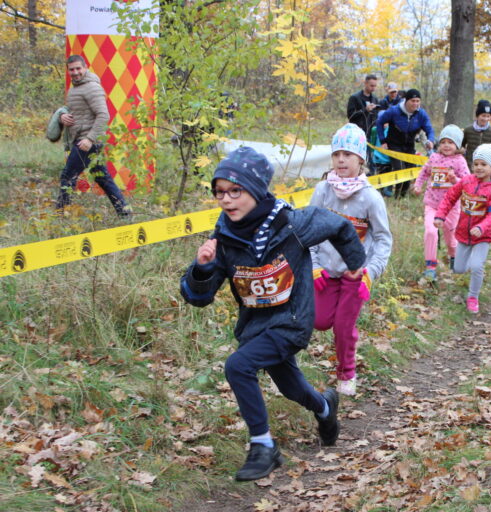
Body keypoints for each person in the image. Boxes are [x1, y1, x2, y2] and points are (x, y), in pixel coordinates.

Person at [180, 147, 366, 481]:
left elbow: (339, 227)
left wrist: (354, 265)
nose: (226, 200)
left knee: (238, 365)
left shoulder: (292, 224)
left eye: (235, 191)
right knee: (291, 388)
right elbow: (199, 298)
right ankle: (325, 407)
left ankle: (263, 446)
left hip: (293, 321)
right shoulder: (224, 240)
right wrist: (202, 269)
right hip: (258, 326)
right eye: (220, 192)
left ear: (255, 190)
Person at [311, 124, 393, 396]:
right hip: (324, 272)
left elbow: (383, 238)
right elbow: (307, 230)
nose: (341, 160)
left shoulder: (371, 197)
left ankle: (347, 373)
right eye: (336, 154)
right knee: (320, 321)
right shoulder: (323, 191)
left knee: (344, 326)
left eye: (348, 154)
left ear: (361, 159)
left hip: (354, 275)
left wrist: (370, 272)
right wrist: (313, 267)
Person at [56, 55, 130, 216]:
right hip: (82, 139)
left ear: (85, 67)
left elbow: (103, 115)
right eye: (71, 69)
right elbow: (77, 111)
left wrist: (89, 139)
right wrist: (63, 117)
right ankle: (125, 211)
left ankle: (60, 215)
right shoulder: (75, 87)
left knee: (67, 176)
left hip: (88, 142)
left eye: (78, 68)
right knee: (102, 177)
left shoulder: (92, 87)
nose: (75, 72)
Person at [434, 144, 491, 314]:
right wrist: (440, 215)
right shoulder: (466, 182)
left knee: (477, 266)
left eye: (483, 164)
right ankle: (458, 265)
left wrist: (482, 226)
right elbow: (450, 197)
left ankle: (473, 297)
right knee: (458, 268)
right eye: (476, 164)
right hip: (463, 232)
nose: (479, 167)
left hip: (482, 236)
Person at [412, 124, 471, 280]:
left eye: (450, 142)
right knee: (431, 232)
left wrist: (455, 179)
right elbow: (424, 172)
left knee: (451, 239)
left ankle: (454, 257)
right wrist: (418, 185)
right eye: (443, 142)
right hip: (432, 204)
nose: (446, 145)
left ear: (457, 145)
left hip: (451, 207)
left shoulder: (460, 161)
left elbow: (468, 182)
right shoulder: (434, 157)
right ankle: (430, 267)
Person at [375, 88, 435, 198]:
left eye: (418, 101)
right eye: (413, 101)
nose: (415, 104)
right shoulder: (394, 111)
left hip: (409, 145)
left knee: (410, 170)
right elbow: (379, 122)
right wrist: (383, 140)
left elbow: (429, 128)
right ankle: (396, 194)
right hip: (394, 143)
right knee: (399, 169)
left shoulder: (421, 114)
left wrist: (430, 140)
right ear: (406, 101)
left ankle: (402, 196)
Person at [462, 100, 491, 169]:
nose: (485, 119)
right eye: (483, 116)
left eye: (488, 116)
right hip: (469, 166)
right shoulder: (468, 130)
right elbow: (461, 146)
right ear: (477, 116)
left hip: (485, 168)